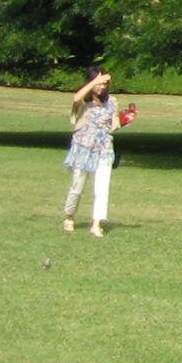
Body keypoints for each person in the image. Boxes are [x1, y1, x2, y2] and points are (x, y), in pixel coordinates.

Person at [61, 68, 135, 237]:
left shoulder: (112, 101)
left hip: (104, 149)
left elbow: (112, 125)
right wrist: (94, 81)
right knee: (77, 187)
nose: (101, 87)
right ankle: (69, 217)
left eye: (104, 84)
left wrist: (125, 120)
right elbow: (76, 98)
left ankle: (96, 224)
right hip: (83, 148)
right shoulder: (84, 101)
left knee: (102, 189)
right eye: (99, 84)